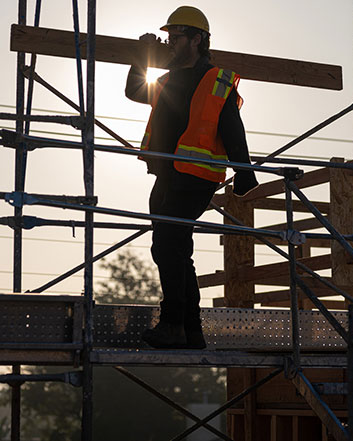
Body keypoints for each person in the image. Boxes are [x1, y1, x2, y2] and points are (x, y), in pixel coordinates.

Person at [125, 6, 259, 349]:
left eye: (176, 37)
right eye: (168, 37)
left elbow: (233, 128)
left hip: (196, 178)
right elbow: (135, 92)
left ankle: (173, 324)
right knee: (174, 250)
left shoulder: (215, 79)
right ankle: (191, 330)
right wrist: (142, 58)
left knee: (168, 245)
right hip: (168, 176)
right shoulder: (168, 79)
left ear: (197, 40)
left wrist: (244, 173)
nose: (170, 43)